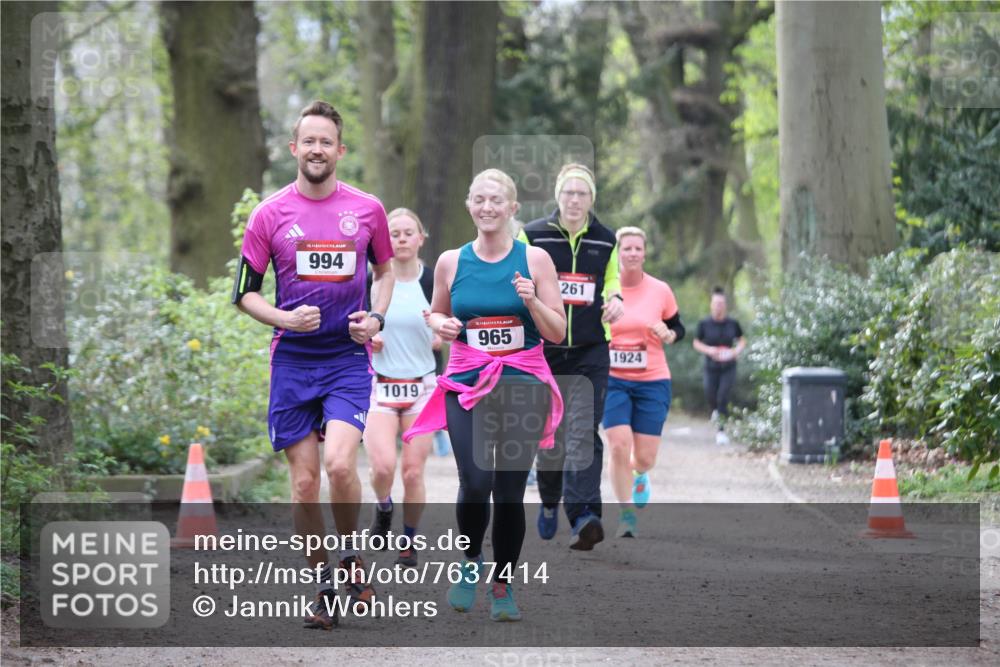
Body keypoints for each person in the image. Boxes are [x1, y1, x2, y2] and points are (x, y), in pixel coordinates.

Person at [232, 100, 394, 630]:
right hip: (294, 362)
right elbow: (244, 295)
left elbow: (386, 272)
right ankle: (323, 583)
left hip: (347, 358)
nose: (318, 149)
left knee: (341, 466)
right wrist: (282, 318)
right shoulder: (269, 214)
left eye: (327, 142)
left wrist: (375, 317)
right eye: (310, 141)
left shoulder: (367, 209)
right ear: (293, 148)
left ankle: (350, 553)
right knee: (304, 486)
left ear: (340, 151)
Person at [404, 168, 566, 622]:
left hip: (522, 382)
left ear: (513, 208)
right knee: (476, 482)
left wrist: (533, 302)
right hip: (467, 381)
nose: (487, 207)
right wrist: (442, 325)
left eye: (497, 200)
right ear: (469, 205)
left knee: (510, 491)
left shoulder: (535, 262)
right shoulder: (452, 262)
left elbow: (557, 331)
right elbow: (435, 315)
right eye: (479, 199)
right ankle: (470, 562)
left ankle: (502, 584)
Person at [519, 163, 623, 550]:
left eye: (582, 193)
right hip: (543, 350)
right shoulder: (532, 234)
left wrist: (615, 300)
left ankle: (584, 516)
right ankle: (549, 500)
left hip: (590, 350)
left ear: (591, 199)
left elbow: (611, 281)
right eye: (568, 192)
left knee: (584, 430)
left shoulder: (605, 239)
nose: (574, 199)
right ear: (558, 196)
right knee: (550, 439)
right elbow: (516, 273)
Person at [364, 208, 440, 568]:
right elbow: (355, 328)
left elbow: (449, 326)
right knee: (382, 467)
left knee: (412, 470)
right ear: (385, 239)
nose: (402, 238)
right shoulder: (373, 280)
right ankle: (383, 508)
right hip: (380, 385)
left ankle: (408, 542)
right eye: (394, 233)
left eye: (409, 232)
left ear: (421, 237)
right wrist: (368, 340)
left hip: (422, 386)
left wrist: (439, 333)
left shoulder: (432, 282)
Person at [602, 227, 684, 537]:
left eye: (638, 248)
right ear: (617, 253)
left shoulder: (660, 290)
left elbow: (678, 325)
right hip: (613, 380)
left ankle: (639, 475)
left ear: (645, 253)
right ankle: (626, 514)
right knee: (619, 445)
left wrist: (669, 334)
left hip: (652, 380)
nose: (633, 253)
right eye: (627, 248)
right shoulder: (607, 289)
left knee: (646, 457)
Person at [693, 287, 746, 445]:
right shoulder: (704, 324)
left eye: (721, 303)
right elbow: (696, 342)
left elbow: (742, 340)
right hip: (711, 366)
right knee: (711, 395)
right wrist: (709, 350)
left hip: (729, 367)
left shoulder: (733, 323)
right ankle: (715, 411)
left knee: (723, 396)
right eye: (716, 303)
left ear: (725, 305)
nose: (719, 306)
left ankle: (721, 431)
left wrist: (736, 350)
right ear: (711, 304)